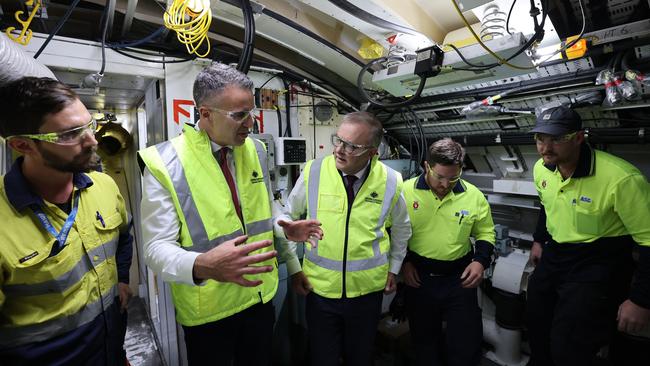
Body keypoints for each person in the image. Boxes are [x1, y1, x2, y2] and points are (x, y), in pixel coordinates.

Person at [139, 63, 319, 365]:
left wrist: (283, 225)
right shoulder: (165, 163)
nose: (250, 123)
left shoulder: (256, 150)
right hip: (210, 310)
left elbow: (264, 207)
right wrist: (203, 264)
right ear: (205, 113)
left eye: (251, 112)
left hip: (259, 298)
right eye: (239, 115)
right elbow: (155, 249)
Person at [0, 77, 133, 365]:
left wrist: (121, 279)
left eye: (88, 124)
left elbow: (124, 235)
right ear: (23, 145)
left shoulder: (104, 186)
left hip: (111, 350)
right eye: (70, 134)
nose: (92, 140)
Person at [276, 111, 411, 366]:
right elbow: (287, 220)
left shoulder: (391, 181)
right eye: (338, 140)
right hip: (320, 290)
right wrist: (294, 269)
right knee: (322, 357)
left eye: (352, 146)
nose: (339, 150)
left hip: (367, 293)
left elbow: (403, 229)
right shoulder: (314, 171)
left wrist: (394, 268)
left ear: (373, 152)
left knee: (359, 357)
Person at [526, 105, 650, 365]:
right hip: (555, 255)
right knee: (537, 327)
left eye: (557, 139)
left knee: (569, 346)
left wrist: (640, 300)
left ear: (579, 138)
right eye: (540, 139)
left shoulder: (621, 178)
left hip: (598, 262)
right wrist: (539, 240)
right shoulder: (542, 168)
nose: (546, 148)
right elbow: (547, 205)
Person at [401, 138, 495, 366]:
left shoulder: (473, 196)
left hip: (459, 280)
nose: (445, 184)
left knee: (465, 342)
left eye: (453, 178)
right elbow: (392, 232)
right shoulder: (404, 192)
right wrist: (404, 262)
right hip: (420, 279)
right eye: (439, 177)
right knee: (424, 341)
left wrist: (480, 261)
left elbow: (485, 233)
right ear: (427, 166)